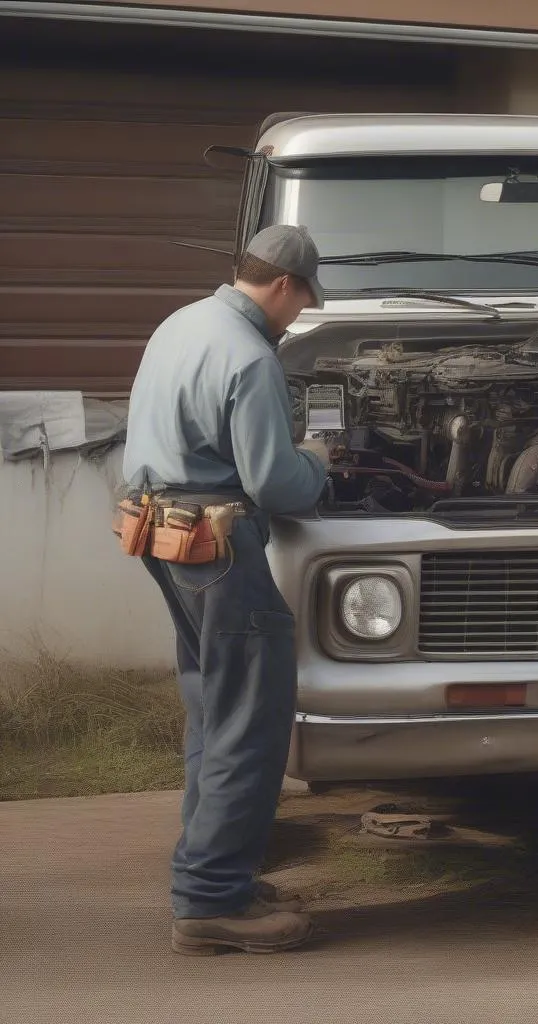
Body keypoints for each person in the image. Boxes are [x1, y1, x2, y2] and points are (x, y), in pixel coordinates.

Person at [121, 224, 332, 956]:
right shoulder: (249, 355)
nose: (300, 315)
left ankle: (220, 873)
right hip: (217, 542)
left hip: (158, 531)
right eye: (304, 300)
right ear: (284, 285)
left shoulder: (182, 323)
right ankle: (210, 899)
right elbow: (276, 483)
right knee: (251, 715)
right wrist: (321, 465)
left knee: (212, 707)